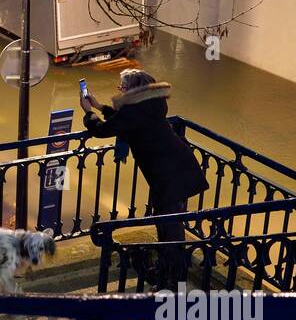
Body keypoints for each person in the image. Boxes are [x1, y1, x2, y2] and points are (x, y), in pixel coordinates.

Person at [80, 69, 208, 287]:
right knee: (169, 225)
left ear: (132, 90)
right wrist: (100, 106)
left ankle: (174, 282)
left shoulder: (134, 111)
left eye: (122, 87)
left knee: (170, 230)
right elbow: (125, 121)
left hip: (169, 177)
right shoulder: (150, 105)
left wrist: (88, 113)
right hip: (179, 168)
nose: (120, 90)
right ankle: (168, 273)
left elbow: (102, 130)